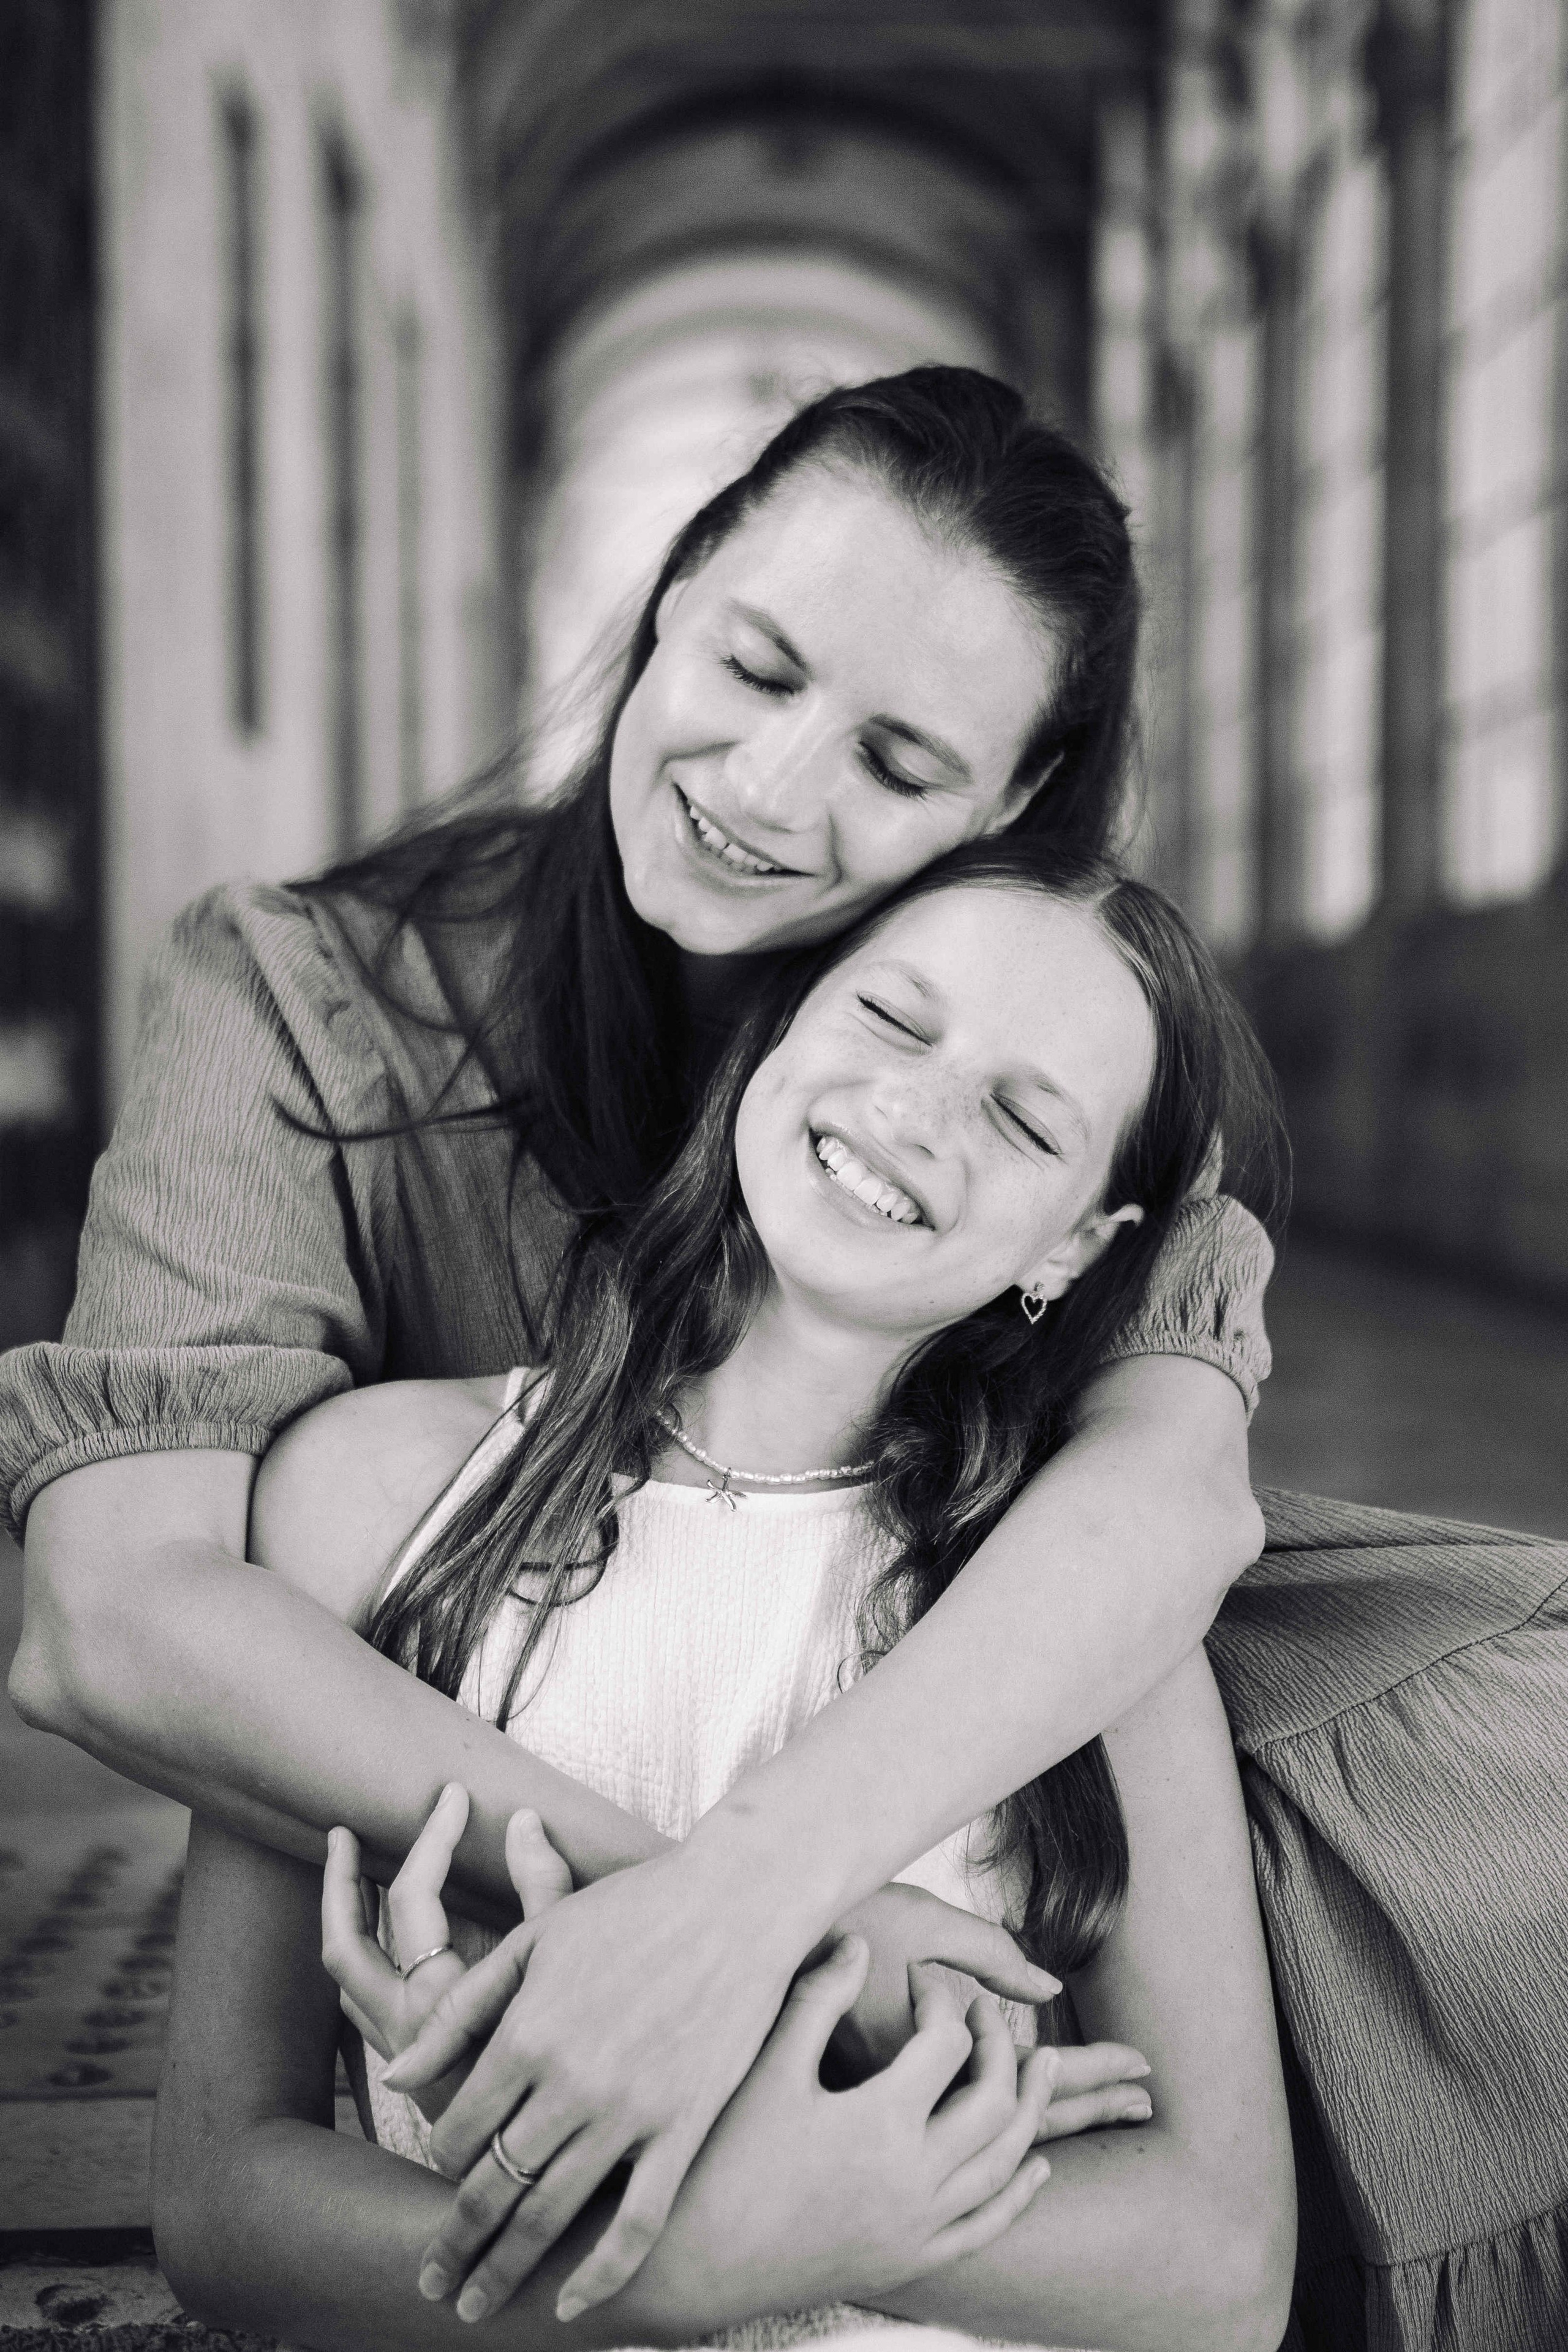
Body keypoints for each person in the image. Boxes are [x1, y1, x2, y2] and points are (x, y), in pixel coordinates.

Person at [6, 371, 1276, 2306]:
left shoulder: (1042, 1085)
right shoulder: (299, 996)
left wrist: (743, 1913)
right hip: (471, 2042)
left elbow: (1167, 1505)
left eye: (898, 764)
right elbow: (113, 1620)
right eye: (758, 664)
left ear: (1013, 802)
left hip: (925, 2118)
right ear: (676, 582)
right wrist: (738, 1922)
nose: (768, 789)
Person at [150, 842, 1297, 2352]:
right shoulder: (367, 1495)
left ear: (1077, 1244)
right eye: (891, 1021)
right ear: (773, 1027)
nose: (914, 1110)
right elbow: (224, 2197)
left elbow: (1220, 2266)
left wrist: (807, 2215)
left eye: (1023, 1120)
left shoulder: (1071, 1605)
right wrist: (688, 2265)